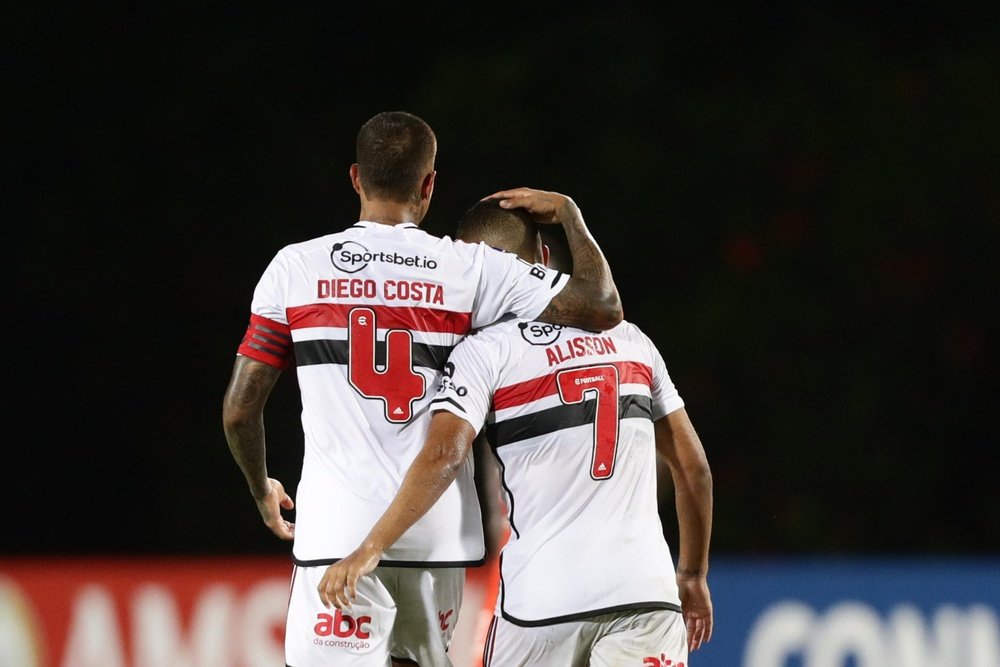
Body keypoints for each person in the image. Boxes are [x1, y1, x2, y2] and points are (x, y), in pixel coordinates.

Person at [222, 110, 623, 667]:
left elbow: (240, 412)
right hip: (435, 536)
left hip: (338, 531)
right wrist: (570, 215)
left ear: (357, 178)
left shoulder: (295, 268)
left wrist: (260, 487)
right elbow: (603, 307)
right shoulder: (471, 268)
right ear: (429, 185)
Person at [318, 199, 714, 666]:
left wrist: (371, 547)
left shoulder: (484, 353)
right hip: (645, 594)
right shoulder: (632, 341)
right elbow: (694, 470)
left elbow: (444, 455)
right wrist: (691, 574)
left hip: (539, 605)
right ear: (544, 260)